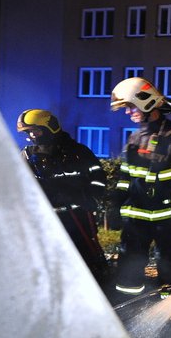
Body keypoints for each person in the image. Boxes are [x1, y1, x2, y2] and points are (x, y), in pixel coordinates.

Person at [109, 77, 171, 298]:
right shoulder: (134, 138)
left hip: (166, 218)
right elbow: (125, 177)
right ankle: (127, 308)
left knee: (170, 269)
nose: (127, 112)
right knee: (128, 271)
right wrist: (116, 204)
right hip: (135, 219)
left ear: (146, 103)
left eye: (130, 106)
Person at [16, 109, 110, 288]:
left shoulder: (78, 152)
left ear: (49, 127)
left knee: (86, 256)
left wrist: (90, 199)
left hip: (77, 217)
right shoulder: (27, 156)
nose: (32, 135)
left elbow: (98, 179)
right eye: (29, 132)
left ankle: (98, 291)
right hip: (44, 219)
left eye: (36, 130)